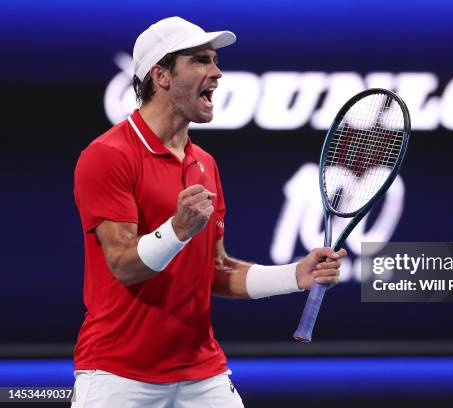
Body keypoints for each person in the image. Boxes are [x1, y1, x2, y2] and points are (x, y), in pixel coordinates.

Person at [71, 16, 346, 408]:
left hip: (203, 374)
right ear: (161, 76)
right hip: (117, 376)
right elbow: (124, 265)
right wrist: (177, 230)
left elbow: (214, 270)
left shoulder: (204, 164)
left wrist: (295, 275)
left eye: (215, 60)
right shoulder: (108, 156)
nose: (217, 72)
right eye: (200, 61)